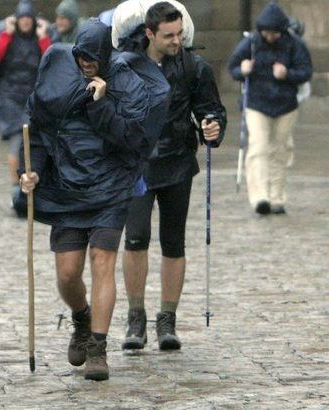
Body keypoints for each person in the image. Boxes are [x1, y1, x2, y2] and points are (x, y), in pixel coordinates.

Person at [18, 18, 152, 381]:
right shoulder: (57, 78)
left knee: (102, 261)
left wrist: (101, 104)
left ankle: (98, 346)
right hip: (67, 188)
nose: (86, 64)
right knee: (67, 272)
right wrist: (32, 172)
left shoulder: (127, 84)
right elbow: (38, 130)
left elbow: (133, 140)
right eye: (81, 57)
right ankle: (81, 316)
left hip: (110, 190)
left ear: (106, 55)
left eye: (93, 58)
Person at [120, 2, 227, 351]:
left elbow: (211, 109)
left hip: (178, 162)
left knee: (173, 242)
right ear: (150, 34)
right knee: (135, 239)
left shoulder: (195, 67)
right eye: (168, 35)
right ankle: (136, 318)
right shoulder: (126, 65)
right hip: (136, 165)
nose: (176, 40)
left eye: (180, 33)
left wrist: (213, 126)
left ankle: (167, 319)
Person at [228, 1, 312, 215]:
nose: (270, 37)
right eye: (267, 32)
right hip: (256, 103)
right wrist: (242, 70)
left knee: (281, 150)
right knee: (258, 147)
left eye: (274, 33)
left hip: (286, 105)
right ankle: (260, 197)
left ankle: (277, 197)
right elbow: (233, 67)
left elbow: (306, 71)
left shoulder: (294, 44)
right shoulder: (252, 42)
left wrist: (287, 74)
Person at [0, 0, 50, 209]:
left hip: (32, 96)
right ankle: (16, 189)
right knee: (16, 141)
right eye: (21, 19)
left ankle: (31, 184)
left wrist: (43, 38)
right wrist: (7, 33)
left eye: (27, 19)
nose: (25, 23)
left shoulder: (39, 39)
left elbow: (51, 60)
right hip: (10, 97)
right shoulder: (6, 37)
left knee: (32, 141)